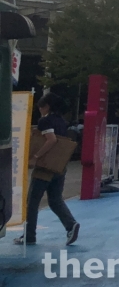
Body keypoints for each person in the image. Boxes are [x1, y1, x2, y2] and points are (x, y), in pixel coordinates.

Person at [15, 94, 80, 246]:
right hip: (60, 165)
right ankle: (71, 225)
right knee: (55, 199)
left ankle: (29, 236)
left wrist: (36, 156)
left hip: (45, 166)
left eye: (41, 107)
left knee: (32, 202)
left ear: (47, 106)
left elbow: (52, 140)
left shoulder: (45, 121)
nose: (40, 110)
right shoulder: (61, 121)